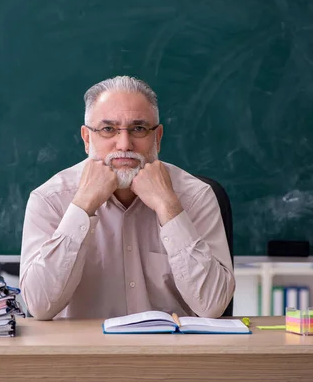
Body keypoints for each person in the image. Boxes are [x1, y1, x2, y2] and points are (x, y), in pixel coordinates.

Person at [19, 76, 235, 320]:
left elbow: (213, 306)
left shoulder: (195, 196)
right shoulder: (49, 199)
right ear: (87, 138)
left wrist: (169, 208)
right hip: (82, 355)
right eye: (108, 129)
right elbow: (39, 306)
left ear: (158, 137)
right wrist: (82, 206)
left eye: (139, 129)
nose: (124, 144)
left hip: (171, 353)